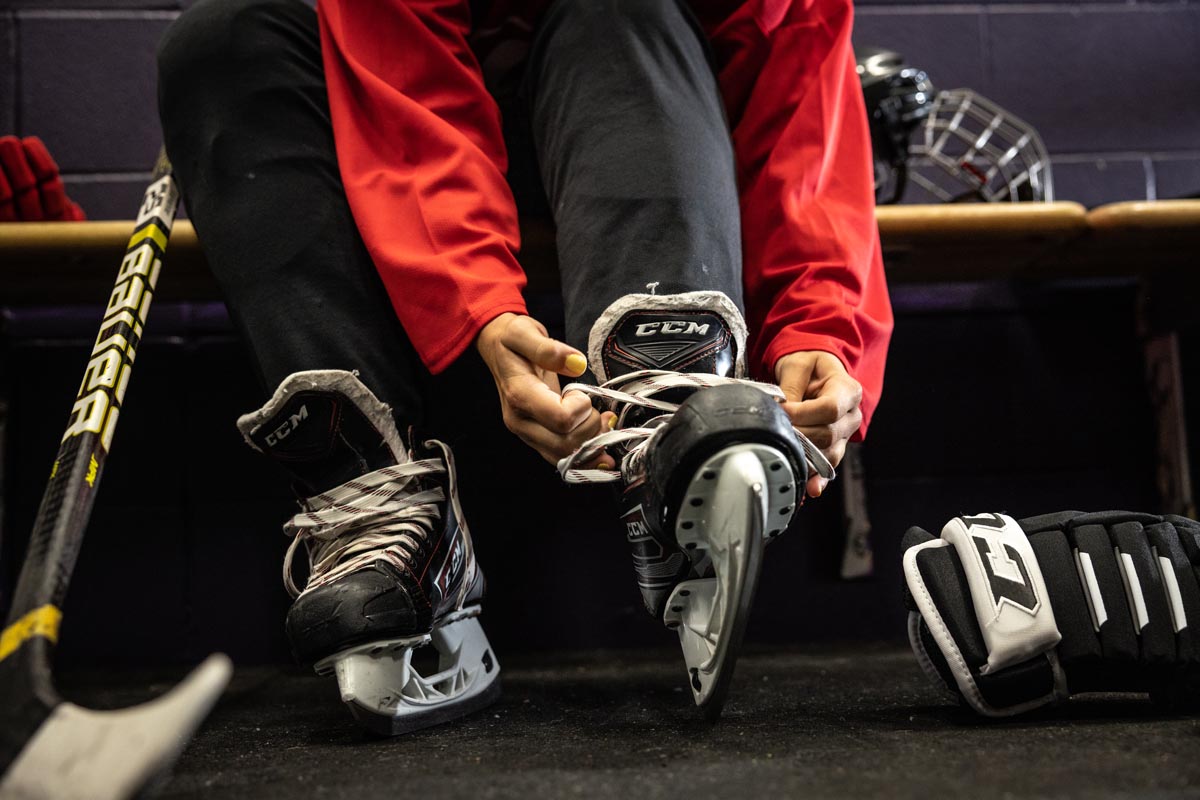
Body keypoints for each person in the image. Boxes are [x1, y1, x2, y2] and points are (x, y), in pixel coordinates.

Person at [156, 0, 892, 733]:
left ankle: (667, 424)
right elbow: (409, 83)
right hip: (406, 162)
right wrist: (481, 305)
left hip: (629, 130)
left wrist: (819, 331)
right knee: (223, 37)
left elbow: (802, 109)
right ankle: (375, 504)